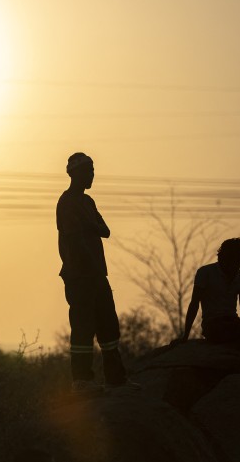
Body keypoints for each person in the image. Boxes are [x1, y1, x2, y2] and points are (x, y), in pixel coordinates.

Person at [56, 152, 136, 394]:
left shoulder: (88, 203)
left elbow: (105, 230)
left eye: (93, 171)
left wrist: (90, 226)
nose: (92, 175)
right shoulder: (67, 202)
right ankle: (82, 381)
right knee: (83, 327)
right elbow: (75, 238)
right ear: (75, 174)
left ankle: (115, 379)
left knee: (109, 327)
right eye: (88, 171)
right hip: (79, 276)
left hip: (97, 275)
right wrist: (90, 264)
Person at [180, 238, 240, 358]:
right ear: (223, 257)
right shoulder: (205, 273)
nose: (237, 265)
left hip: (233, 321)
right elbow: (194, 304)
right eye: (235, 260)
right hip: (212, 325)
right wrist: (185, 336)